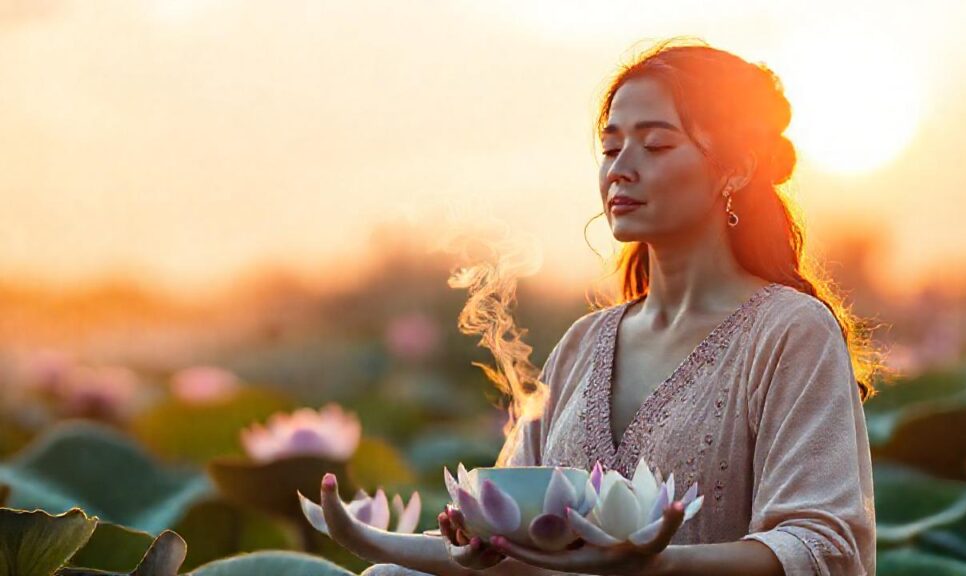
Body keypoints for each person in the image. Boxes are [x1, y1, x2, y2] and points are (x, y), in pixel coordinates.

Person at [318, 37, 881, 576]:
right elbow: (516, 549)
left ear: (736, 167)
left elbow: (820, 547)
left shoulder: (788, 330)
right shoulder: (584, 343)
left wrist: (652, 565)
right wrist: (374, 539)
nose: (620, 169)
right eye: (611, 148)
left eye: (656, 144)